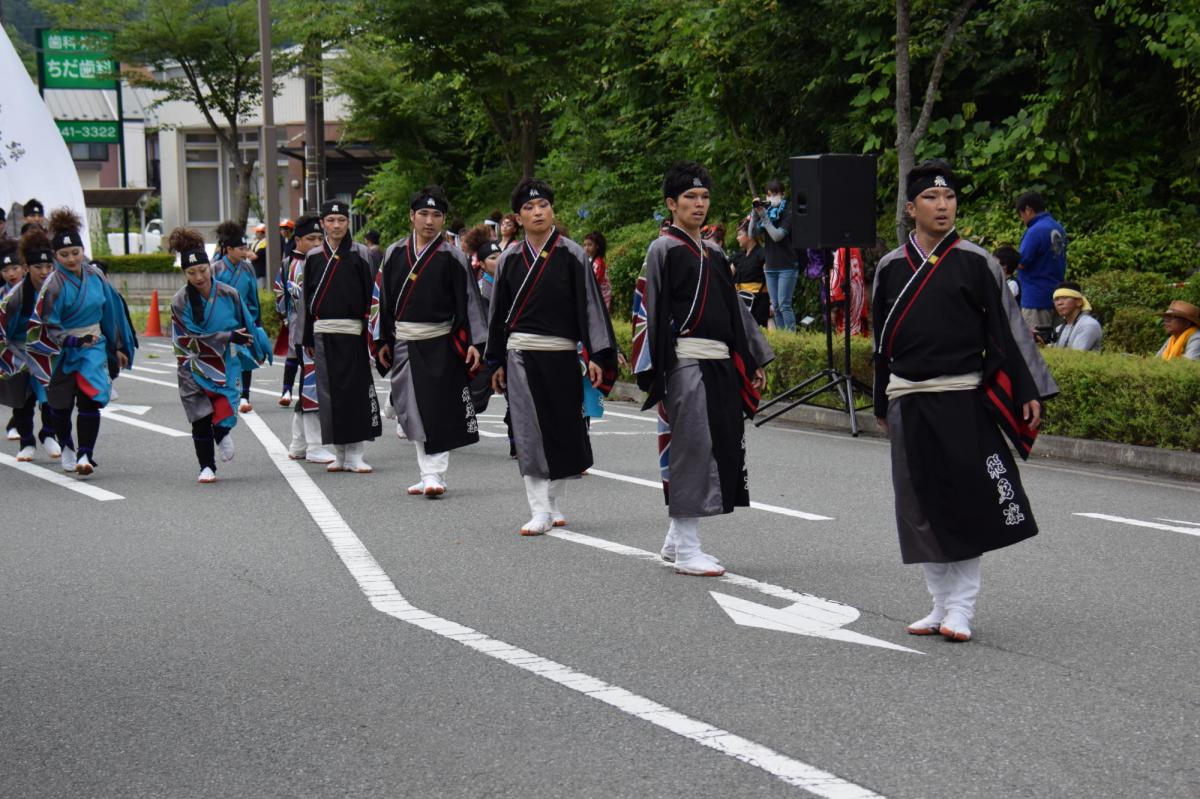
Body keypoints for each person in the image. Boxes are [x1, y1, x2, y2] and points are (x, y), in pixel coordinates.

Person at [872, 160, 1058, 643]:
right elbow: (879, 345)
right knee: (921, 504)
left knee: (967, 499)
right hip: (907, 400)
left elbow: (1009, 332)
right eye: (932, 199)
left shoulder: (978, 262)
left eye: (950, 197)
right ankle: (937, 604)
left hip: (961, 397)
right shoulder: (890, 268)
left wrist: (1026, 389)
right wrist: (879, 402)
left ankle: (962, 608)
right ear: (911, 208)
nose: (943, 206)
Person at [631, 162, 773, 576]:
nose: (698, 204)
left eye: (704, 197)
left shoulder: (713, 252)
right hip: (684, 361)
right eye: (690, 198)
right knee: (691, 448)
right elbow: (647, 312)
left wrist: (754, 357)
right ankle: (689, 547)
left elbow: (735, 313)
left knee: (716, 446)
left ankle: (677, 541)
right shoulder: (662, 250)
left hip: (720, 362)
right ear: (671, 204)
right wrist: (658, 369)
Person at [486, 177, 619, 535]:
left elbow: (590, 307)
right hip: (520, 356)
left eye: (543, 205)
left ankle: (554, 502)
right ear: (517, 218)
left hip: (561, 353)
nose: (537, 212)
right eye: (529, 208)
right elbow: (497, 313)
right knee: (528, 431)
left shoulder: (573, 253)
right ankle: (539, 509)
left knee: (563, 428)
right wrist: (495, 361)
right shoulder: (511, 257)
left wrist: (595, 354)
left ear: (552, 210)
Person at [372, 185, 487, 497]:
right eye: (423, 213)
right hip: (404, 342)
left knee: (438, 407)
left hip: (441, 341)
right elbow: (382, 300)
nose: (429, 220)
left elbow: (470, 300)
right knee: (412, 408)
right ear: (412, 216)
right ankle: (427, 473)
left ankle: (434, 473)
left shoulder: (454, 256)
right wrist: (381, 338)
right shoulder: (395, 253)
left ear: (443, 220)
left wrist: (476, 342)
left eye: (436, 215)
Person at [26, 208, 135, 475]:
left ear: (82, 250)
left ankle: (86, 453)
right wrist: (70, 340)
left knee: (89, 400)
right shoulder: (52, 285)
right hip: (61, 349)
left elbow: (111, 312)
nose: (72, 258)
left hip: (94, 345)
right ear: (55, 256)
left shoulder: (96, 276)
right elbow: (45, 323)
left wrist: (118, 346)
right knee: (60, 406)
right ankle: (67, 447)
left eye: (76, 252)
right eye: (64, 254)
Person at [167, 228, 270, 483]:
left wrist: (257, 347)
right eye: (192, 272)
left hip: (225, 363)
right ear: (184, 273)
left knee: (226, 412)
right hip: (194, 366)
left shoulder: (228, 293)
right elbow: (184, 340)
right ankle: (207, 466)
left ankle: (222, 433)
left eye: (203, 270)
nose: (199, 276)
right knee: (200, 418)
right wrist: (226, 336)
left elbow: (246, 323)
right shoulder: (180, 301)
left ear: (209, 266)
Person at [303, 200, 382, 473]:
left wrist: (372, 335)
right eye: (330, 220)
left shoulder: (361, 254)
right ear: (323, 223)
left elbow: (372, 297)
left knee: (356, 392)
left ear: (348, 223)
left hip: (354, 332)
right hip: (323, 333)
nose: (336, 225)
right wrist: (306, 338)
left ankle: (356, 453)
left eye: (341, 220)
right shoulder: (313, 257)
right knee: (330, 395)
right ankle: (339, 453)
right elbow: (305, 302)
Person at [275, 214, 335, 463]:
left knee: (309, 386)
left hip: (303, 332)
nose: (316, 242)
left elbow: (281, 302)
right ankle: (314, 445)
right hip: (308, 334)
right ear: (297, 239)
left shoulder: (292, 263)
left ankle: (298, 444)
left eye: (320, 238)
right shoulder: (300, 264)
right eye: (311, 238)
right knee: (312, 387)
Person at [0, 233, 59, 461]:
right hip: (16, 349)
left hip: (44, 348)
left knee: (51, 396)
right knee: (22, 399)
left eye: (48, 266)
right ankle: (27, 441)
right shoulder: (14, 296)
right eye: (38, 266)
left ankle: (48, 434)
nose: (44, 272)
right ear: (27, 267)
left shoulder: (56, 288)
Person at [212, 222, 263, 413]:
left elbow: (254, 296)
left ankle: (245, 395)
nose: (244, 252)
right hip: (224, 321)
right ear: (229, 249)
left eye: (245, 248)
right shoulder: (215, 269)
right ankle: (227, 392)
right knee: (225, 357)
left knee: (246, 356)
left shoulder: (248, 269)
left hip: (246, 317)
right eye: (240, 248)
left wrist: (256, 320)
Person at [1015, 191, 1067, 338]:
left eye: (1021, 215)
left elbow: (1023, 262)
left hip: (1035, 299)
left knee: (1035, 347)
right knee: (1056, 344)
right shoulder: (1058, 228)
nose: (1022, 220)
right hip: (1057, 294)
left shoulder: (1035, 231)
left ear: (1028, 210)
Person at [749, 179, 797, 331]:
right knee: (775, 306)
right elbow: (751, 234)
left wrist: (764, 217)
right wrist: (755, 213)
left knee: (784, 304)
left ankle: (791, 338)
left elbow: (777, 236)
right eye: (769, 195)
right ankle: (782, 338)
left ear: (783, 194)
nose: (772, 198)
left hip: (787, 266)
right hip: (770, 266)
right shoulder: (768, 212)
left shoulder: (789, 212)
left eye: (775, 194)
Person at [730, 219, 769, 328]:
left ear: (750, 235)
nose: (737, 238)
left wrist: (772, 303)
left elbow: (770, 279)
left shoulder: (762, 254)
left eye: (740, 234)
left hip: (758, 302)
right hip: (740, 301)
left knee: (756, 334)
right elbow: (727, 276)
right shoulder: (739, 256)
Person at [1050, 282, 1102, 352]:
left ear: (1079, 302)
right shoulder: (1060, 328)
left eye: (1064, 298)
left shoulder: (1088, 325)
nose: (1059, 303)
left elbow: (1075, 356)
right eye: (1056, 299)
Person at [829, 246, 869, 337]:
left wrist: (834, 308)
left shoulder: (841, 251)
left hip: (846, 302)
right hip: (858, 297)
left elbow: (837, 279)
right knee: (858, 334)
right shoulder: (855, 249)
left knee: (846, 337)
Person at [582, 231, 612, 312]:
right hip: (597, 297)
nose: (586, 248)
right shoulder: (590, 260)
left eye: (589, 245)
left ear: (597, 246)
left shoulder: (598, 263)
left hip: (601, 298)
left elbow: (594, 282)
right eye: (584, 245)